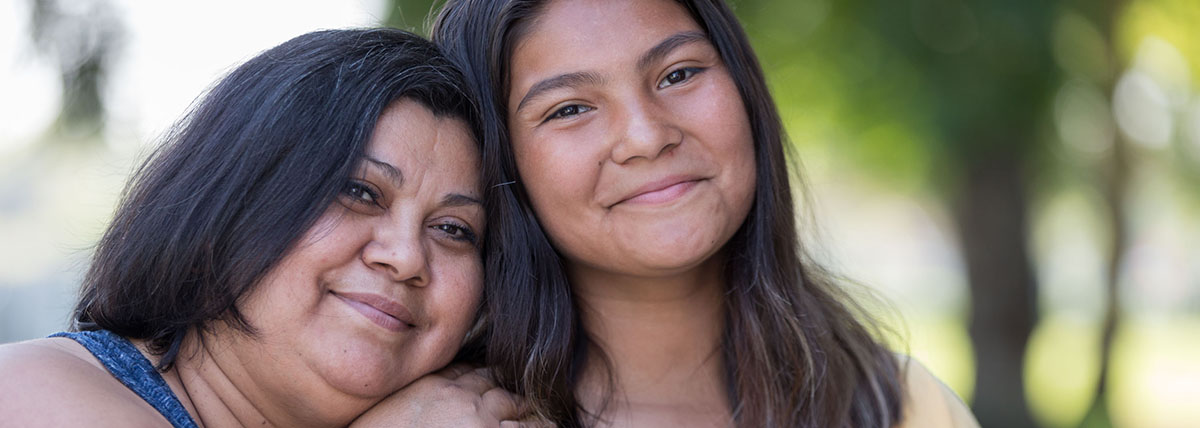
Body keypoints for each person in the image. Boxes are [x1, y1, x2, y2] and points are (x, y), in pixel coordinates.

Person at [428, 0, 981, 427]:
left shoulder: (905, 406)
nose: (646, 137)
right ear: (500, 160)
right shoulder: (432, 418)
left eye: (679, 74)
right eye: (570, 108)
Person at [0, 28, 525, 427]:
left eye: (454, 229)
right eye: (360, 192)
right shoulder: (32, 393)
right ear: (231, 198)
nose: (407, 257)